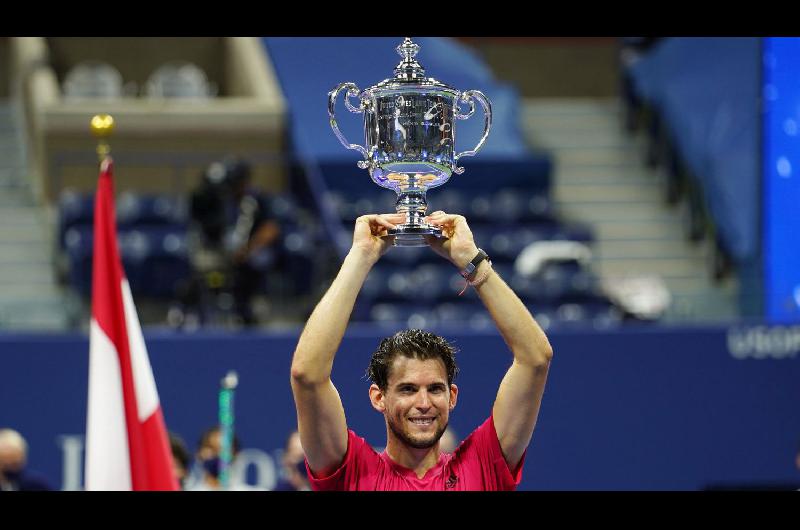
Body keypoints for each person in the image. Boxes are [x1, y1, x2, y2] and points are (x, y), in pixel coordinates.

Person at [290, 211, 553, 490]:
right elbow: (307, 375)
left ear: (452, 396)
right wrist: (361, 256)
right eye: (407, 389)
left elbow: (536, 359)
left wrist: (470, 259)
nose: (424, 403)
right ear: (379, 397)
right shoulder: (352, 473)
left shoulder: (482, 465)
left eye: (435, 389)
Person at [185, 158, 281, 326]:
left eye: (235, 182)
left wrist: (248, 249)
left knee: (257, 261)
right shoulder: (225, 200)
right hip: (228, 251)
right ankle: (205, 310)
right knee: (205, 266)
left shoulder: (256, 199)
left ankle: (254, 304)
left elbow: (271, 229)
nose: (232, 187)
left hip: (254, 251)